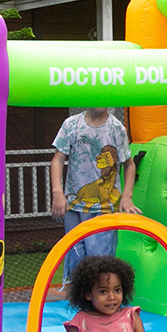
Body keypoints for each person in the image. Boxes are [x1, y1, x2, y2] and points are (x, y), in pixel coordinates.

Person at [51, 107, 140, 289]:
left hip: (103, 209)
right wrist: (57, 193)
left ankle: (102, 296)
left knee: (100, 261)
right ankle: (79, 298)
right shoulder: (71, 125)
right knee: (76, 257)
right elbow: (57, 160)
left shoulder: (116, 128)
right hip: (74, 207)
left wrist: (127, 196)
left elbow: (129, 165)